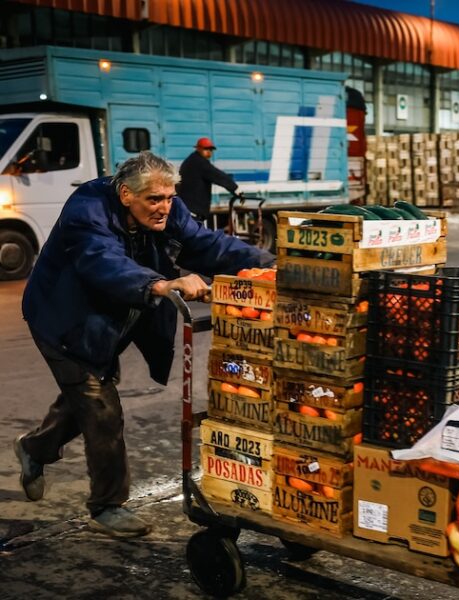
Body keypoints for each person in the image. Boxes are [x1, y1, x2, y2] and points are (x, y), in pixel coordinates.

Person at [14, 151, 273, 538]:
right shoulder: (87, 211)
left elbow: (208, 246)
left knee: (83, 396)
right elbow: (103, 262)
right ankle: (106, 506)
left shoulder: (168, 208)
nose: (164, 207)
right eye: (155, 200)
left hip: (114, 319)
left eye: (169, 198)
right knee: (100, 408)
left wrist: (270, 262)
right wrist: (162, 284)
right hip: (66, 322)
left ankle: (35, 449)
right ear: (124, 195)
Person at [177, 137, 239, 225]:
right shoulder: (200, 163)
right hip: (193, 210)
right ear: (198, 148)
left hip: (186, 208)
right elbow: (217, 175)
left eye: (211, 149)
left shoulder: (191, 160)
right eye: (206, 149)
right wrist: (235, 188)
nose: (209, 151)